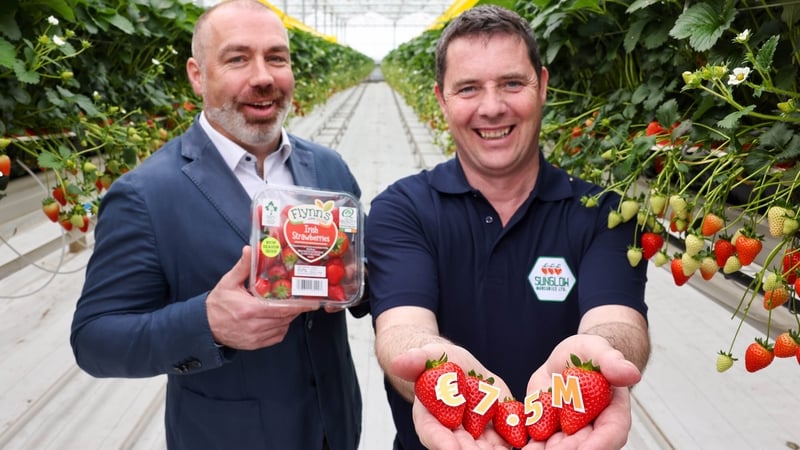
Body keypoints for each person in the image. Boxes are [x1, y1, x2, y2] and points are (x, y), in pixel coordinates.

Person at [70, 1, 365, 449]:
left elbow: (363, 277)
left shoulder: (327, 168)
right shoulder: (147, 194)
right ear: (197, 74)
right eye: (237, 58)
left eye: (277, 57)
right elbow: (95, 339)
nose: (264, 76)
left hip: (334, 429)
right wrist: (207, 323)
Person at [364, 5, 650, 450]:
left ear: (543, 87)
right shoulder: (402, 209)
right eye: (469, 88)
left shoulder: (604, 212)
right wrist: (438, 372)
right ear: (441, 100)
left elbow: (619, 321)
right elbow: (402, 328)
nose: (492, 107)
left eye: (512, 83)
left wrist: (597, 359)